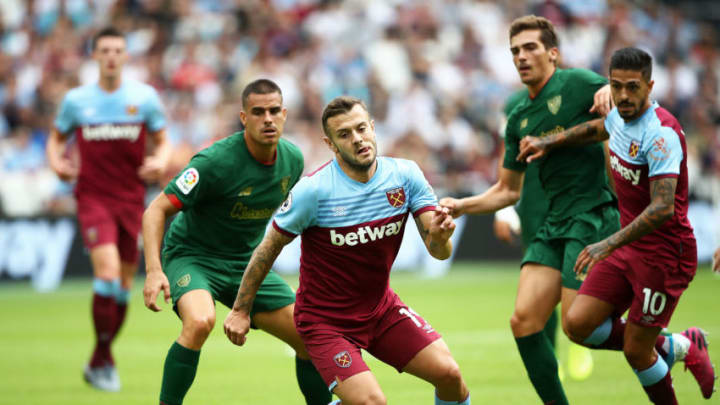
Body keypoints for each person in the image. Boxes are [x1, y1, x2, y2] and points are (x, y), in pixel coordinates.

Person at [224, 96, 471, 405]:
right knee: (372, 402)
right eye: (344, 134)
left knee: (450, 375)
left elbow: (439, 252)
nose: (357, 139)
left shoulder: (405, 175)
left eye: (361, 128)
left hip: (381, 309)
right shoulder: (313, 191)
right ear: (331, 144)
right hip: (325, 322)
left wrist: (440, 236)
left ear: (373, 128)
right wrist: (240, 309)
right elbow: (267, 249)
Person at [518, 47, 716, 404]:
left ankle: (674, 353)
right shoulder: (619, 117)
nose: (624, 95)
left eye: (633, 87)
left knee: (636, 353)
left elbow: (662, 207)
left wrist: (607, 244)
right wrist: (547, 142)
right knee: (577, 325)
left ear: (650, 86)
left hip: (665, 257)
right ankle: (682, 344)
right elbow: (599, 128)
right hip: (629, 247)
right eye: (617, 86)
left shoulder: (661, 135)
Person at [439, 15, 619, 404]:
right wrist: (462, 206)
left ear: (553, 53)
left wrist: (610, 90)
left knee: (576, 326)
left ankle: (671, 347)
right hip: (553, 223)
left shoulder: (576, 83)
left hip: (590, 216)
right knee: (524, 321)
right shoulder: (518, 116)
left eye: (530, 48)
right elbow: (507, 189)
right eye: (515, 51)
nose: (521, 57)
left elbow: (624, 105)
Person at [141, 79, 331, 405]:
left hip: (246, 263)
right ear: (244, 118)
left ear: (284, 114)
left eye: (274, 111)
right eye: (258, 112)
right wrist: (154, 270)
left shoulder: (293, 161)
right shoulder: (214, 162)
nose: (268, 119)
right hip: (193, 257)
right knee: (201, 322)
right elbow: (155, 210)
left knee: (308, 337)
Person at [46, 27, 171, 392]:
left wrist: (159, 160)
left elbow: (163, 140)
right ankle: (103, 360)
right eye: (105, 50)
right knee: (107, 272)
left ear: (126, 56)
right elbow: (56, 139)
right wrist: (57, 163)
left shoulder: (144, 99)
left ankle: (100, 358)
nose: (112, 56)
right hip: (93, 198)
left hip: (131, 200)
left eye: (118, 50)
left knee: (120, 287)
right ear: (95, 55)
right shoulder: (77, 101)